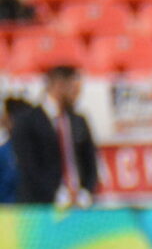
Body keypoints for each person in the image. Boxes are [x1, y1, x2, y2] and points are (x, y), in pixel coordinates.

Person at [4, 64, 95, 206]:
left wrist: (85, 192)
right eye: (74, 88)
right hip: (40, 209)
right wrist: (58, 195)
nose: (77, 94)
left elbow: (90, 162)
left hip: (79, 207)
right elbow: (29, 167)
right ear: (59, 85)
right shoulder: (27, 122)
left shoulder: (79, 121)